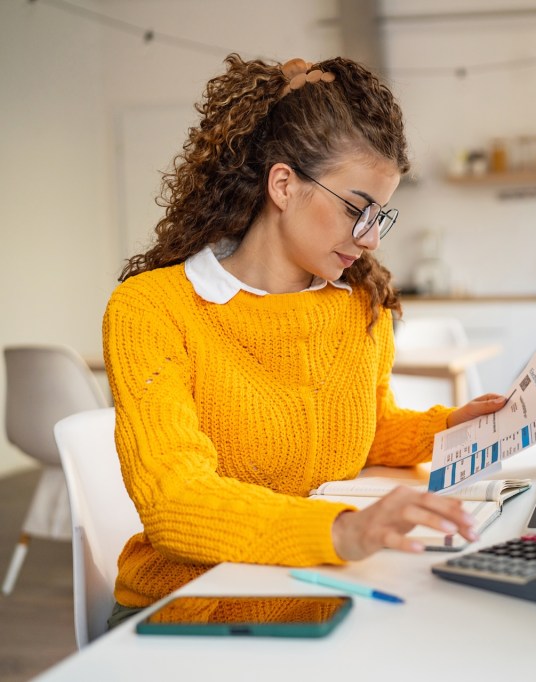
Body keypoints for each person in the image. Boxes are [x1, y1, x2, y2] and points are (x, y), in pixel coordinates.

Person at [102, 54, 505, 624]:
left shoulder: (357, 304)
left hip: (311, 583)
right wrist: (342, 530)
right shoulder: (153, 308)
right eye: (358, 210)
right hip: (193, 606)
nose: (370, 240)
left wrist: (448, 426)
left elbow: (367, 431)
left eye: (381, 218)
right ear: (284, 185)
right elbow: (175, 499)